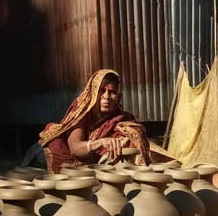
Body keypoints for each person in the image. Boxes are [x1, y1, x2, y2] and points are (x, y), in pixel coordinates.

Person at [24, 69, 152, 173]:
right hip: (46, 156)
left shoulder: (122, 118)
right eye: (102, 91)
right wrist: (101, 142)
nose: (106, 97)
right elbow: (74, 148)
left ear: (118, 96)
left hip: (88, 165)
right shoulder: (82, 111)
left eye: (112, 92)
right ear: (93, 92)